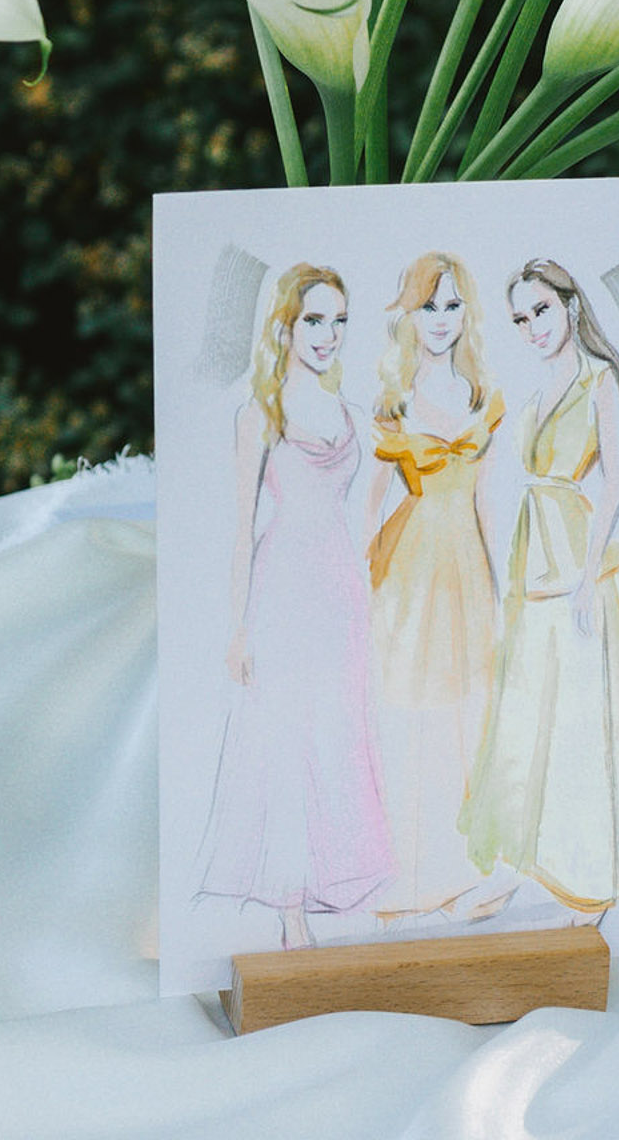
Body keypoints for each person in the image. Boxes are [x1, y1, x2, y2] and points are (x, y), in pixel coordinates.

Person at [461, 259, 619, 914]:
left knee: (581, 707)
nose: (532, 326)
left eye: (540, 309)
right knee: (523, 704)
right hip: (530, 553)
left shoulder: (597, 378)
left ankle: (586, 859)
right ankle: (513, 860)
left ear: (569, 304)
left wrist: (591, 571)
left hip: (575, 553)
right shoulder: (535, 391)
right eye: (519, 317)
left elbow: (616, 477)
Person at [196, 262, 392, 949]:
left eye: (338, 321)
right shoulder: (260, 412)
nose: (328, 335)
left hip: (338, 586)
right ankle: (287, 910)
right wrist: (238, 628)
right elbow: (241, 526)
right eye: (314, 319)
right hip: (281, 586)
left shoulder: (348, 412)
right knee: (282, 736)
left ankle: (327, 882)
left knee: (336, 731)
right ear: (284, 323)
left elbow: (374, 497)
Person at [365, 252, 506, 918]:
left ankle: (469, 868)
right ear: (409, 312)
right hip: (413, 563)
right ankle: (411, 871)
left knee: (471, 713)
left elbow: (486, 502)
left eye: (453, 306)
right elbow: (367, 504)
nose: (442, 320)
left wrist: (504, 586)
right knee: (413, 713)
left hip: (466, 566)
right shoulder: (392, 403)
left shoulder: (482, 398)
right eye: (429, 305)